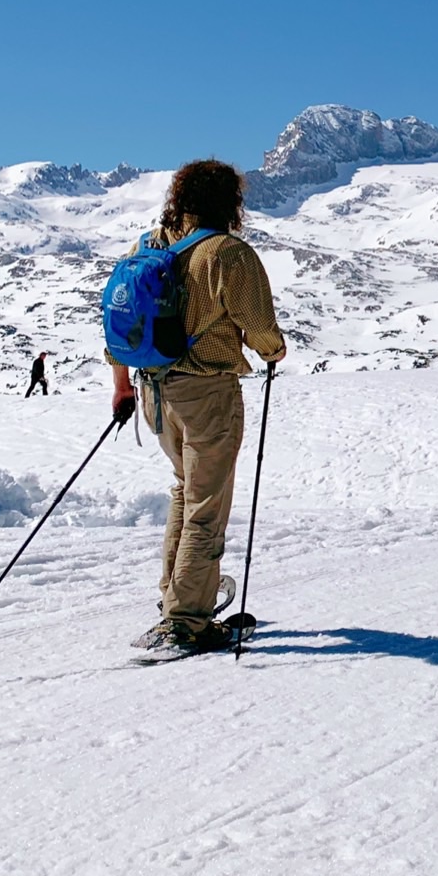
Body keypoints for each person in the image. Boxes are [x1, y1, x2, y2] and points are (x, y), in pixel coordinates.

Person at [109, 160, 285, 656]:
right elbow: (260, 328)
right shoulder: (227, 252)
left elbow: (121, 326)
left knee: (186, 491)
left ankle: (176, 597)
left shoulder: (148, 246)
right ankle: (187, 622)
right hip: (207, 392)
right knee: (208, 503)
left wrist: (121, 386)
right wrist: (274, 352)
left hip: (152, 391)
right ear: (230, 202)